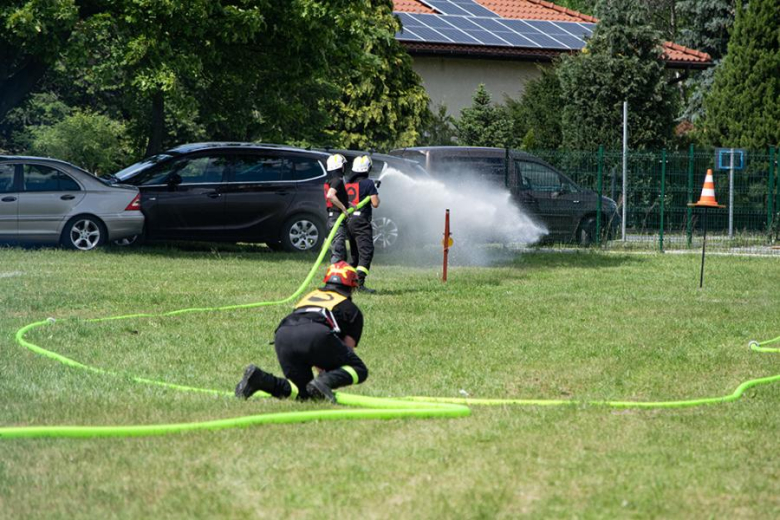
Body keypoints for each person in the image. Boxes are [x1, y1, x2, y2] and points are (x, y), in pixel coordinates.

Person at [235, 261, 369, 403]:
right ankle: (322, 383)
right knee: (358, 369)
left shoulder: (309, 297)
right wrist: (326, 380)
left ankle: (260, 379)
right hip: (315, 335)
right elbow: (346, 351)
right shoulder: (351, 309)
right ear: (352, 286)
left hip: (283, 335)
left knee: (304, 394)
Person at [345, 155, 380, 293]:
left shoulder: (348, 184)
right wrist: (374, 191)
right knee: (366, 252)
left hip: (349, 222)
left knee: (355, 254)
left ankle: (348, 283)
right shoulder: (368, 183)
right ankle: (359, 283)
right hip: (361, 223)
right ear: (367, 169)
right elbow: (375, 203)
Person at [323, 154, 354, 264]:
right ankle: (335, 271)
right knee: (338, 249)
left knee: (342, 251)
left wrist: (347, 203)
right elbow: (330, 196)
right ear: (340, 166)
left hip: (333, 217)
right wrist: (343, 208)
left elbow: (336, 197)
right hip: (336, 218)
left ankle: (341, 271)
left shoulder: (330, 180)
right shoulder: (337, 180)